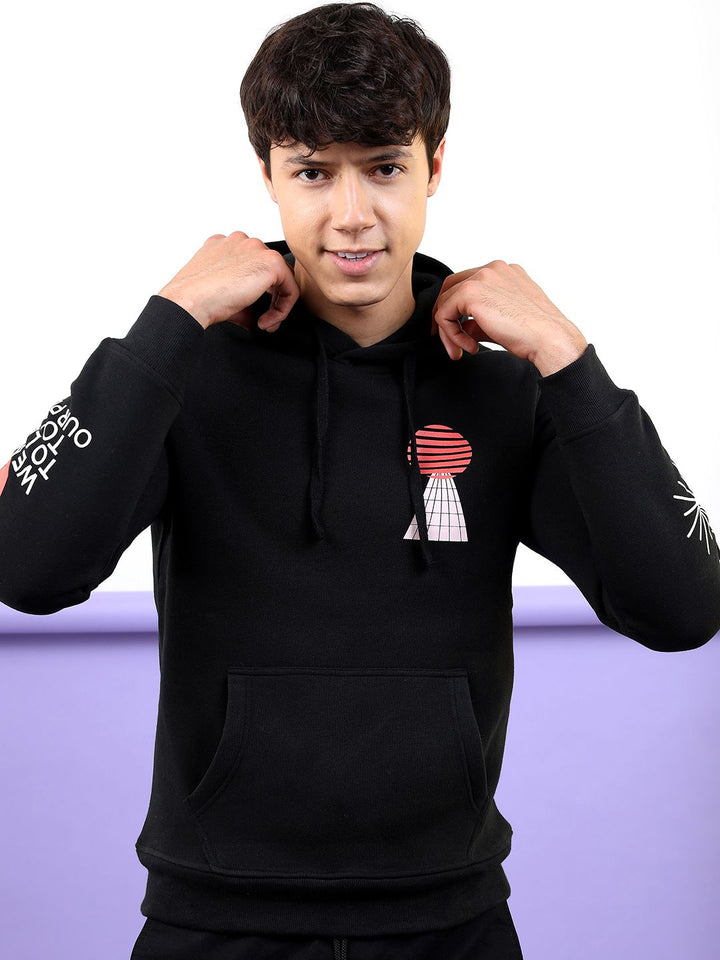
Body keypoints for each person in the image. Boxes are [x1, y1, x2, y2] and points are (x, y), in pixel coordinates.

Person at [0, 3, 718, 958]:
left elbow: (683, 608)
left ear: (434, 166)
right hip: (213, 923)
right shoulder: (187, 376)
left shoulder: (504, 389)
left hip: (451, 924)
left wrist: (567, 355)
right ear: (267, 175)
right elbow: (27, 567)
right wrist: (169, 317)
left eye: (384, 167)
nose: (350, 215)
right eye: (312, 172)